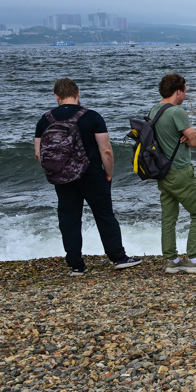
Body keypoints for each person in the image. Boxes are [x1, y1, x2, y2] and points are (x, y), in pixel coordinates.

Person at [34, 78, 142, 276]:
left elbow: (38, 154)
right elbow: (106, 150)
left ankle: (76, 265)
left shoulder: (45, 120)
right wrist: (108, 172)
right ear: (78, 94)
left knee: (69, 219)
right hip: (92, 175)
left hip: (63, 178)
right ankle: (118, 258)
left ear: (56, 96)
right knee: (104, 215)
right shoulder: (92, 117)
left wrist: (57, 170)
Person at [150, 73, 196, 273]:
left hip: (162, 170)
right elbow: (195, 142)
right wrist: (190, 137)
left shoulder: (154, 110)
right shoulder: (177, 112)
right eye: (185, 90)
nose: (185, 94)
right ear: (178, 91)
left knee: (169, 216)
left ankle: (172, 260)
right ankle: (194, 259)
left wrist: (184, 136)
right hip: (180, 169)